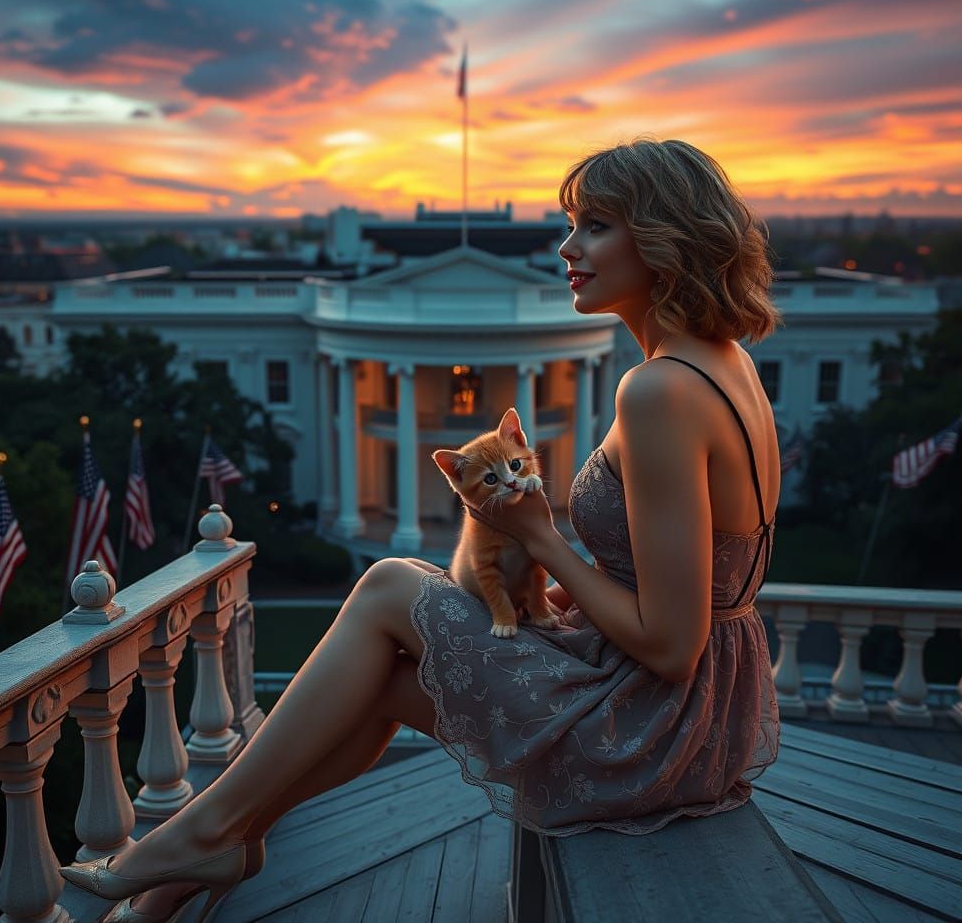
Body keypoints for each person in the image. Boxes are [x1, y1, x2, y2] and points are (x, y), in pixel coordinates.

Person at [61, 136, 785, 921]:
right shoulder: (724, 361)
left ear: (665, 237)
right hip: (703, 710)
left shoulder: (659, 391)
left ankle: (199, 834)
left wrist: (541, 539)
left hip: (659, 725)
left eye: (596, 226)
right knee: (380, 683)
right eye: (572, 223)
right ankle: (194, 864)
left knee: (388, 587)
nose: (567, 247)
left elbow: (673, 646)